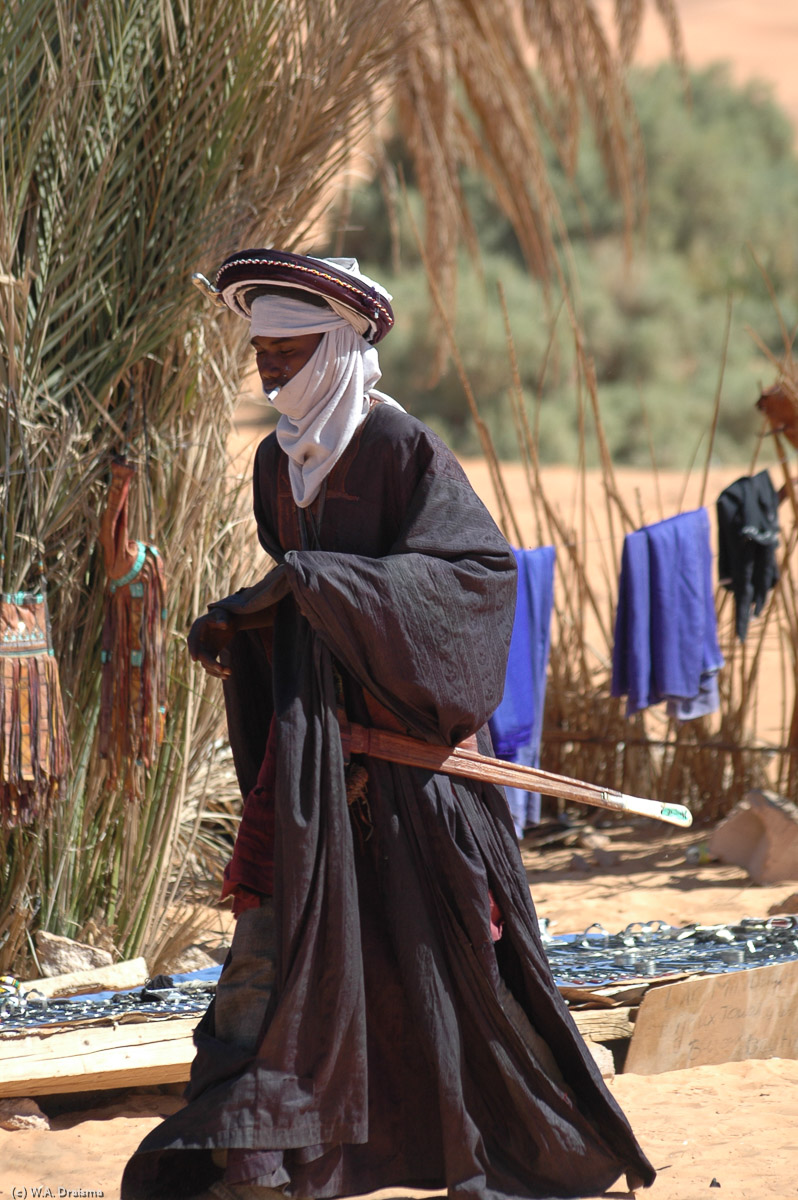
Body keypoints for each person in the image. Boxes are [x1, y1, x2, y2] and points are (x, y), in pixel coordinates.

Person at [122, 250, 655, 1200]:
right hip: (312, 767)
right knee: (275, 958)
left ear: (335, 347)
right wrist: (247, 622)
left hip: (411, 770)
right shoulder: (274, 464)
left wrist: (322, 587)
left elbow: (478, 580)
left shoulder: (402, 448)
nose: (269, 371)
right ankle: (262, 1161)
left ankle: (482, 1156)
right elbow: (295, 591)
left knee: (442, 965)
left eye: (285, 352)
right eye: (261, 355)